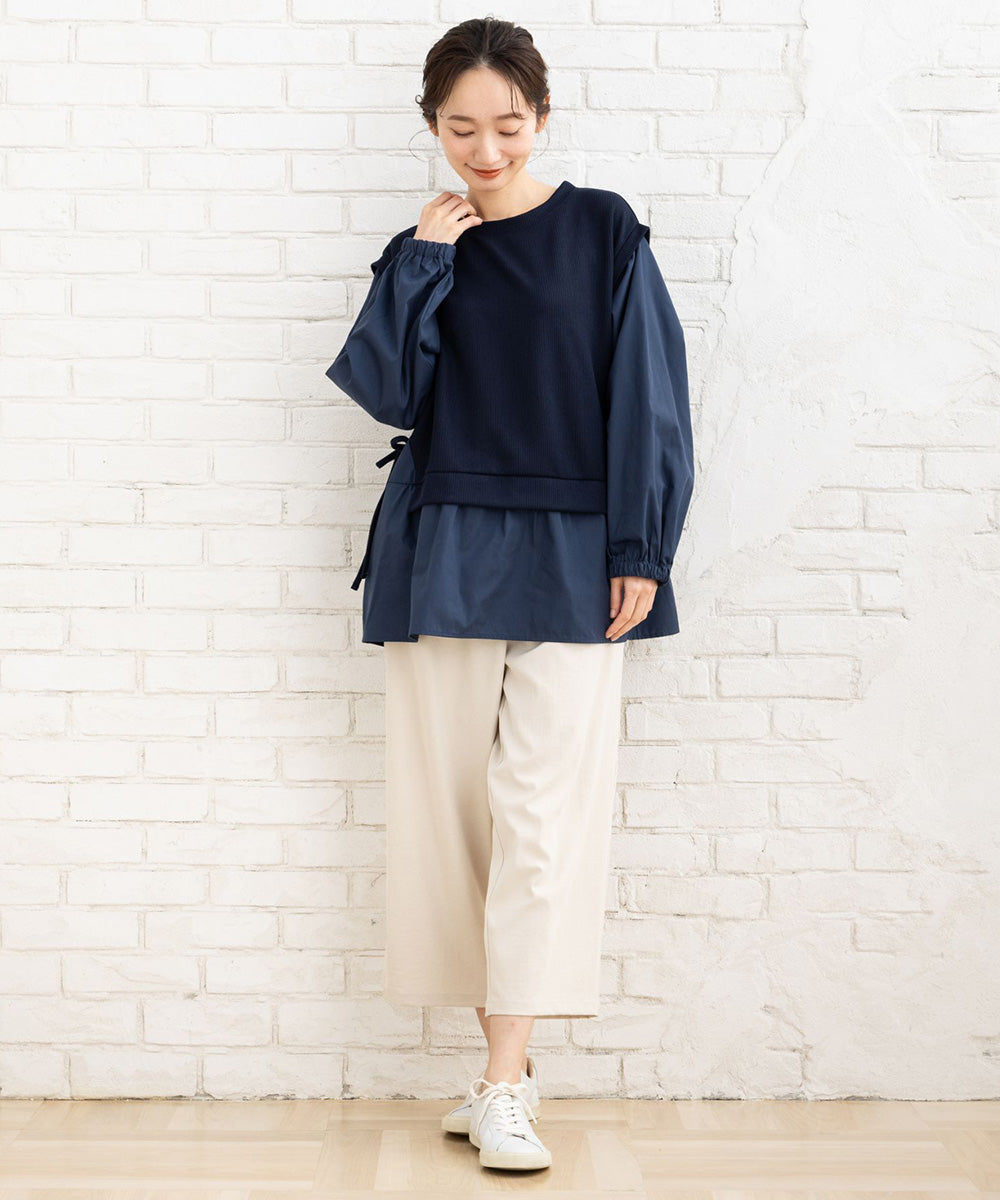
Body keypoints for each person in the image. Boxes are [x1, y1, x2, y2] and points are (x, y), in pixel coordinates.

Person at [325, 17, 694, 1173]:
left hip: (576, 552)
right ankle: (498, 1077)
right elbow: (386, 392)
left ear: (541, 116)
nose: (485, 151)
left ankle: (502, 1083)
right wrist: (423, 262)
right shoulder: (423, 247)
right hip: (442, 544)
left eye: (507, 126)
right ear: (432, 127)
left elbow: (650, 393)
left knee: (541, 820)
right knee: (449, 821)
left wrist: (641, 546)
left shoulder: (602, 229)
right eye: (460, 129)